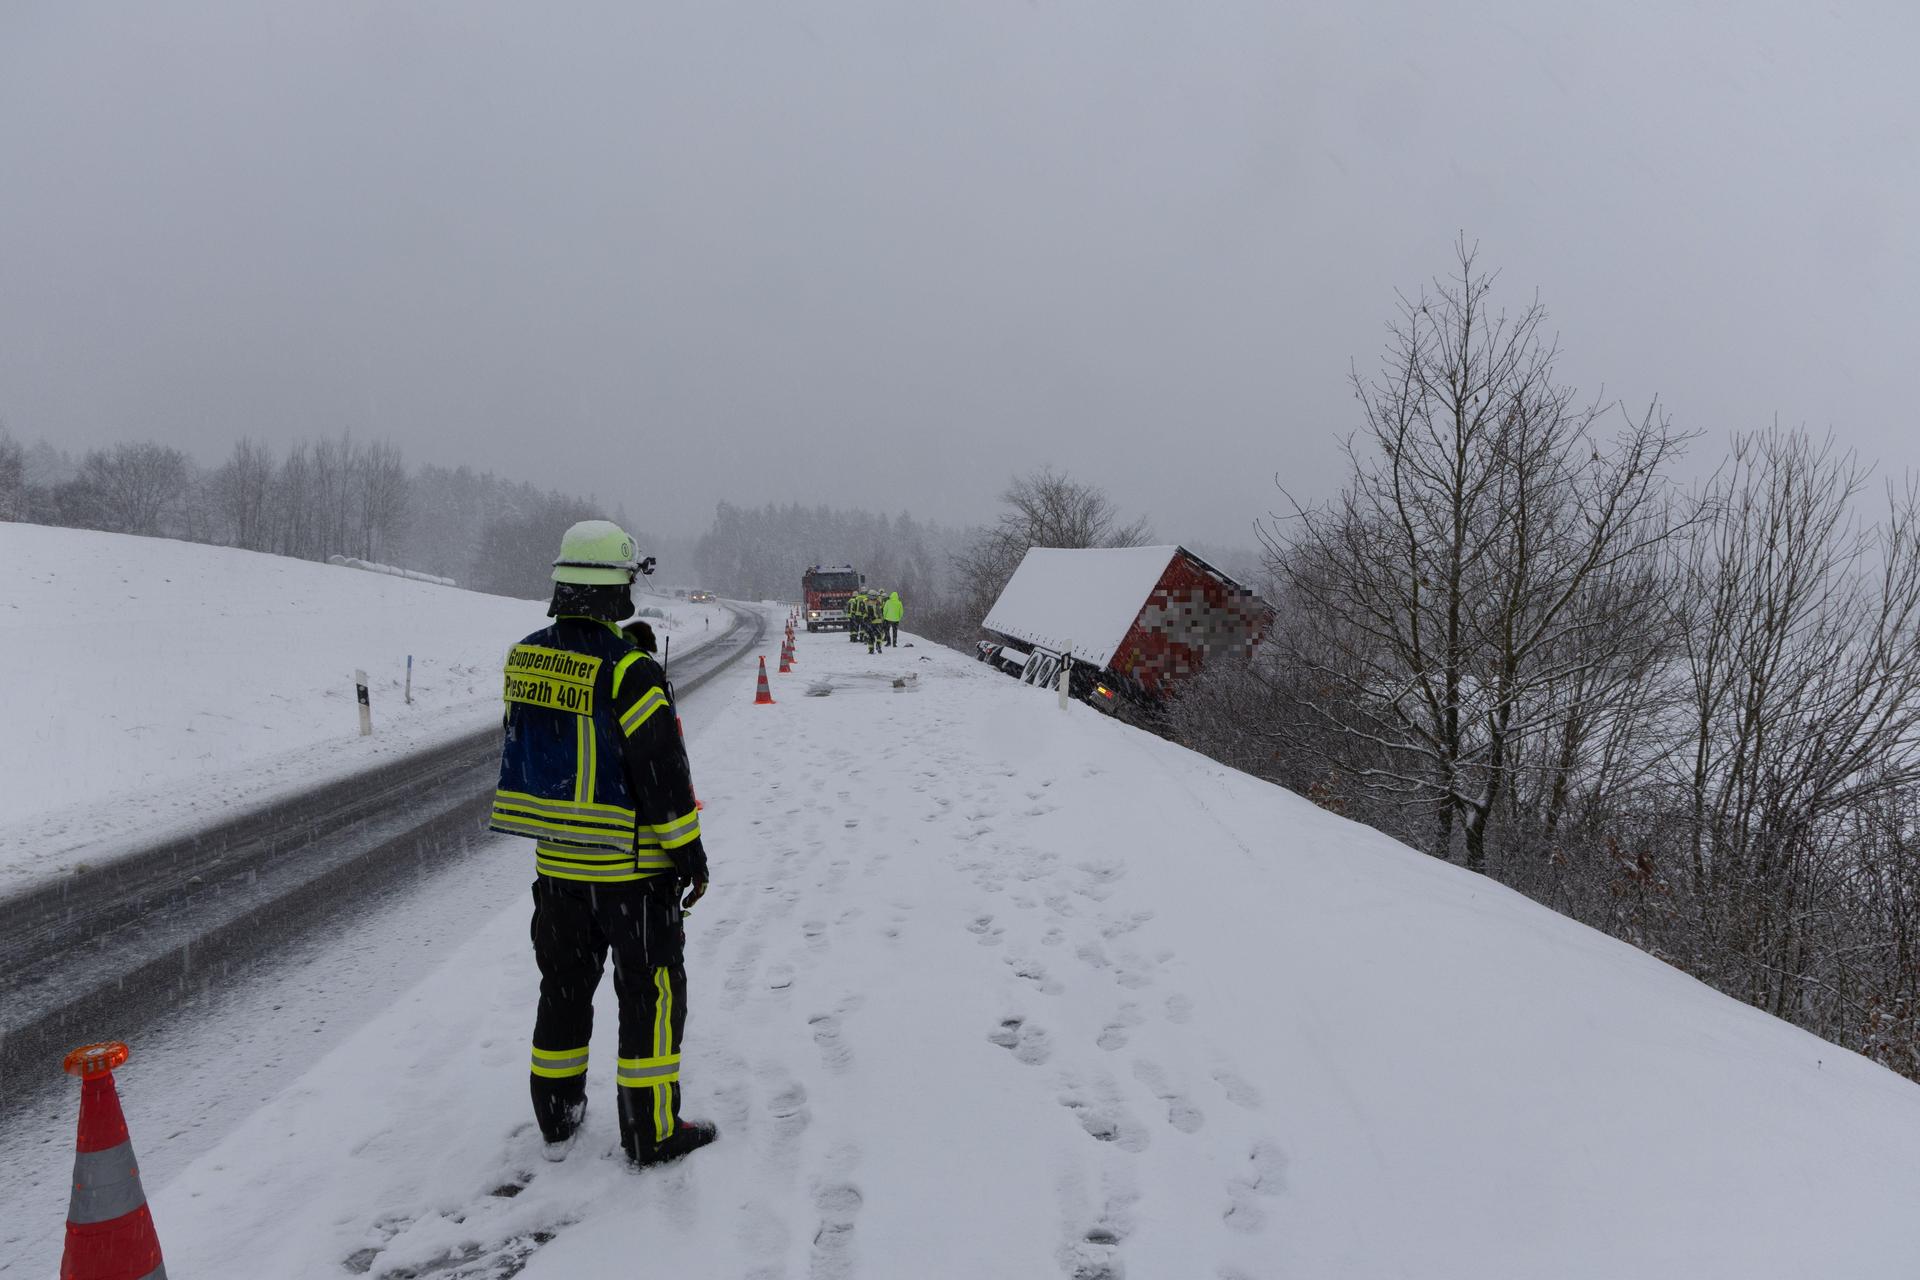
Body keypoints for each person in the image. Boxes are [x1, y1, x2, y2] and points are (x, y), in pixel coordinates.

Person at [489, 520, 718, 1168]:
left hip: (557, 869)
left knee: (563, 987)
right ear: (618, 586)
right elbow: (661, 775)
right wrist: (691, 857)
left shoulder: (526, 656)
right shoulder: (630, 672)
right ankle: (651, 1132)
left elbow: (554, 739)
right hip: (632, 875)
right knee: (649, 994)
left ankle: (557, 1113)